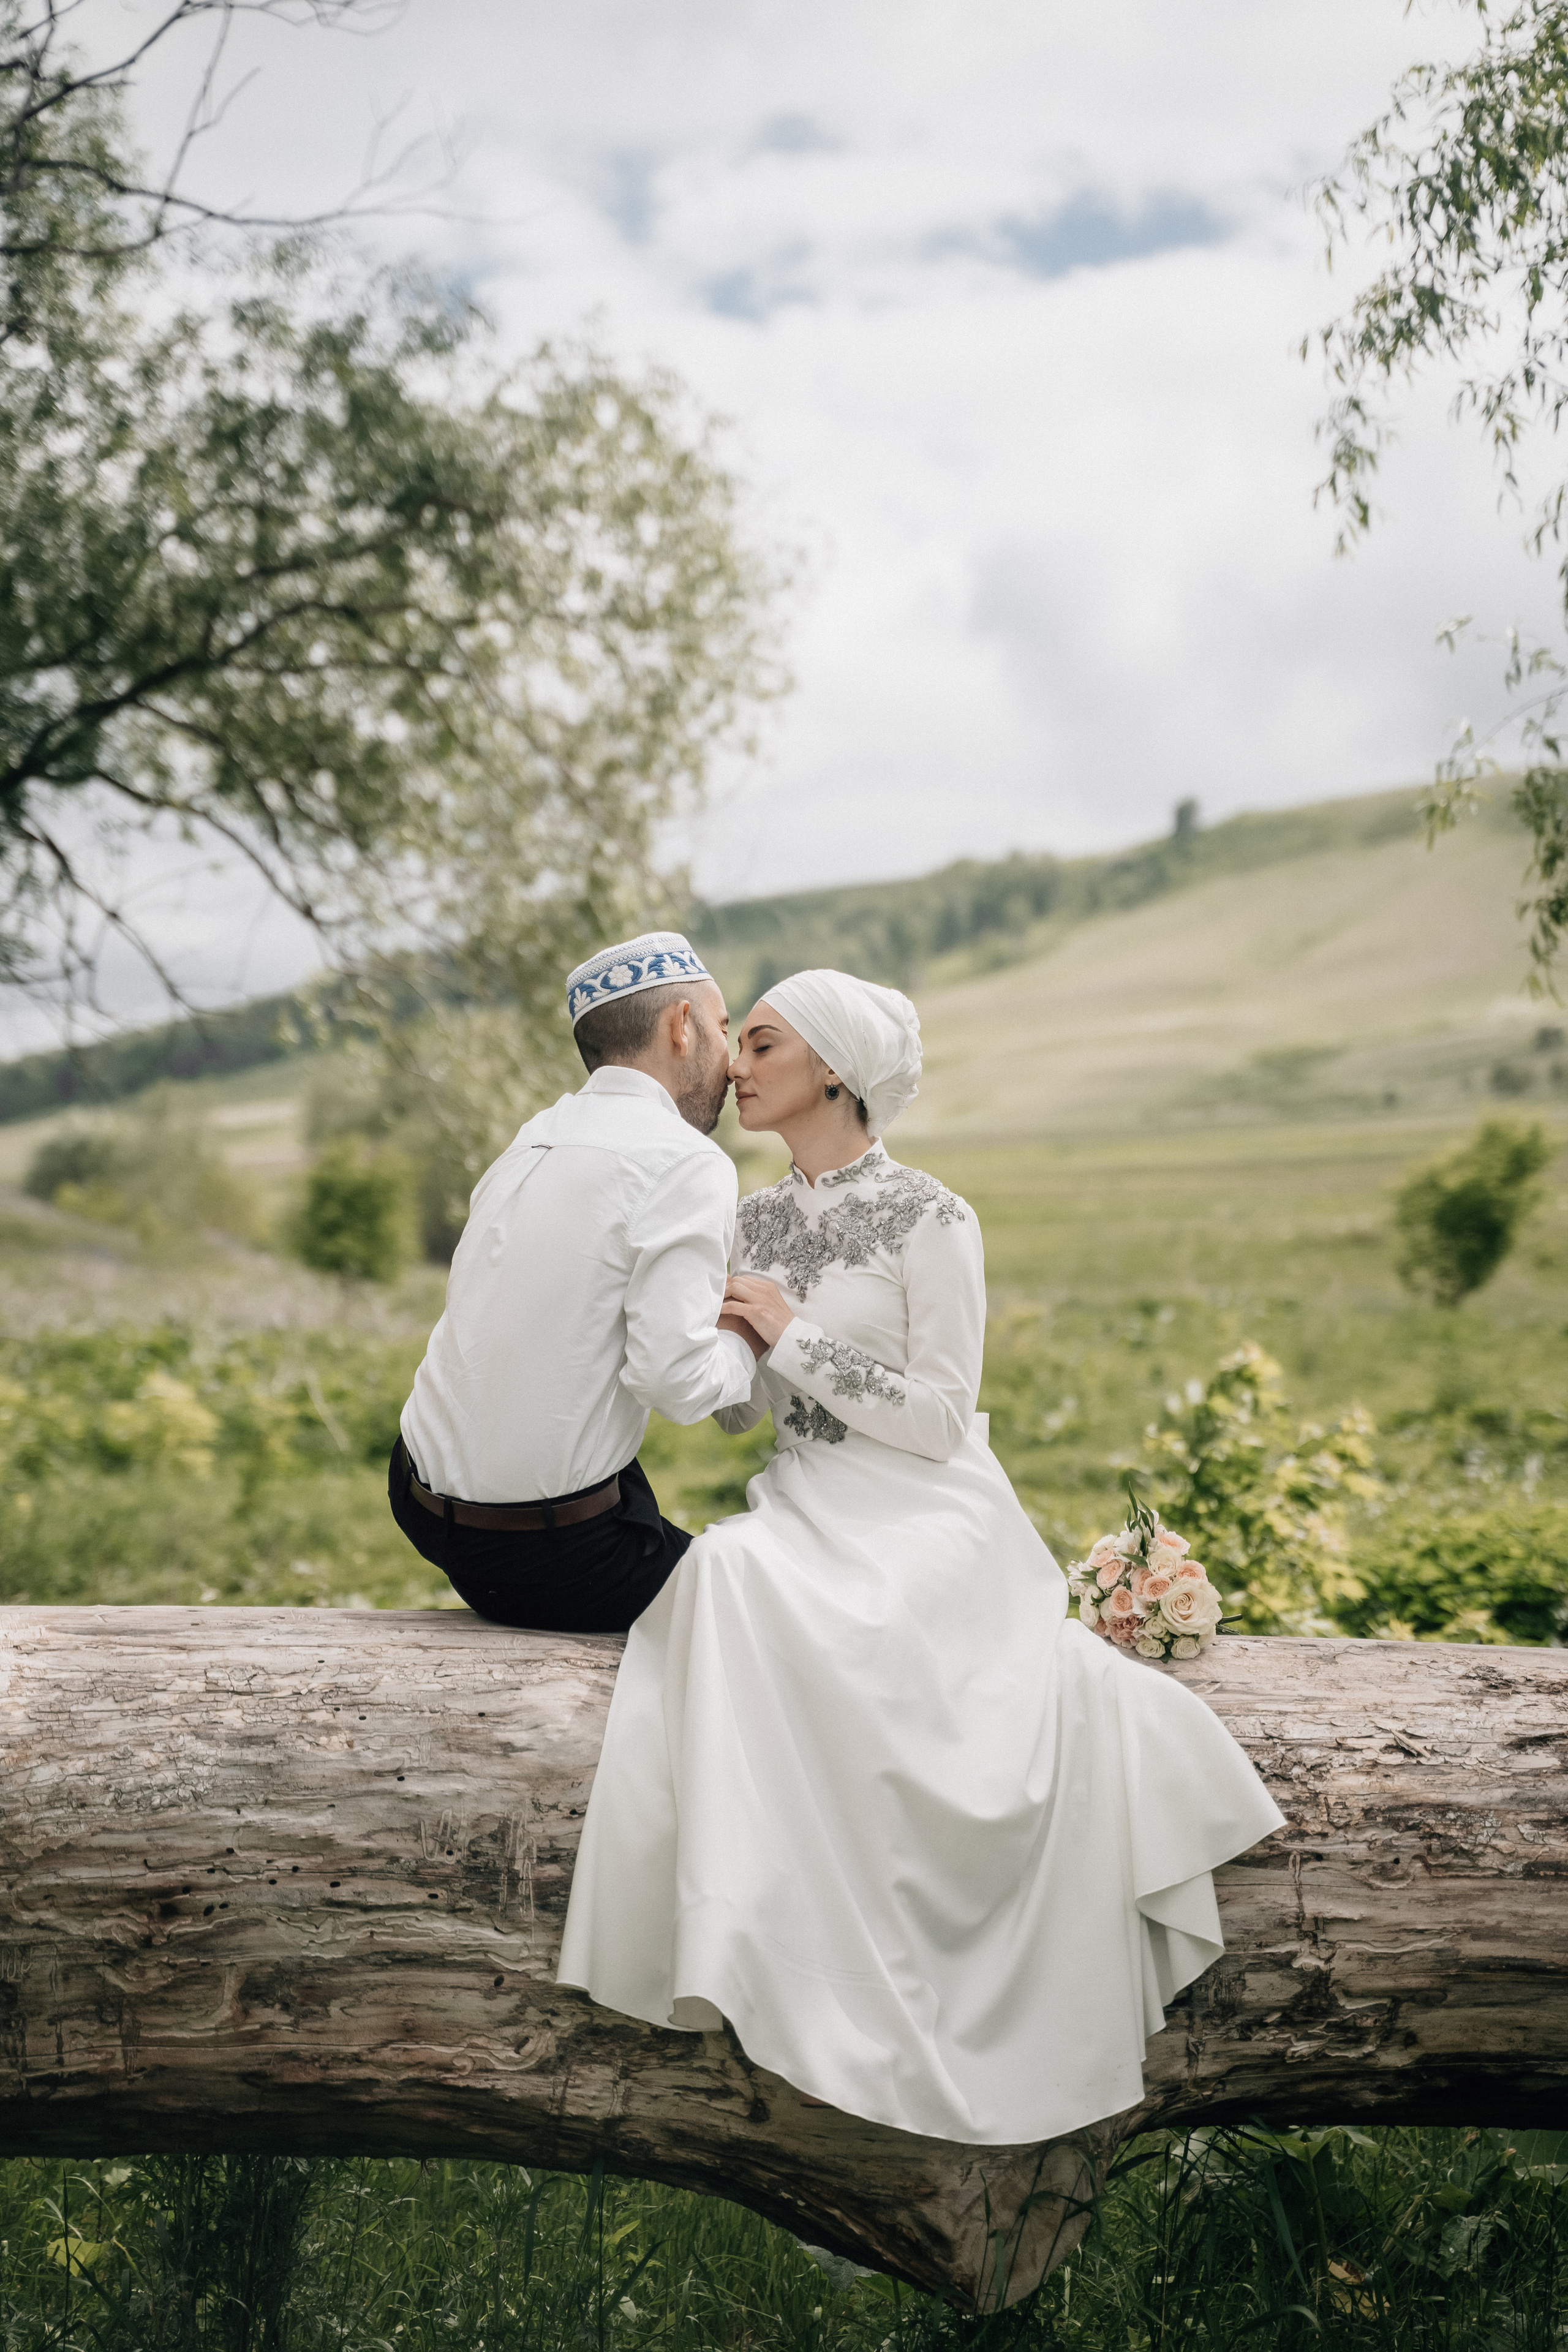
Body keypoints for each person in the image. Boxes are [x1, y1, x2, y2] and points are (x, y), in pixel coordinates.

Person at [557, 968, 1285, 2146]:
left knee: (825, 1611)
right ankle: (756, 1949)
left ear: (835, 1069)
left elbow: (945, 1417)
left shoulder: (937, 1217)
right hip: (808, 1501)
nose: (734, 1065)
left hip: (932, 1514)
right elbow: (745, 1413)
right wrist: (723, 1345)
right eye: (737, 1042)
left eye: (763, 1043)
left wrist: (790, 1333)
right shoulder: (747, 1215)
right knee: (725, 1573)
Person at [389, 931, 763, 1635]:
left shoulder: (531, 1139)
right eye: (723, 1028)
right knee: (765, 1619)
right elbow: (674, 1383)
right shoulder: (687, 1161)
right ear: (680, 1026)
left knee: (612, 1467)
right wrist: (745, 1333)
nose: (735, 1059)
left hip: (417, 1498)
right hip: (544, 1552)